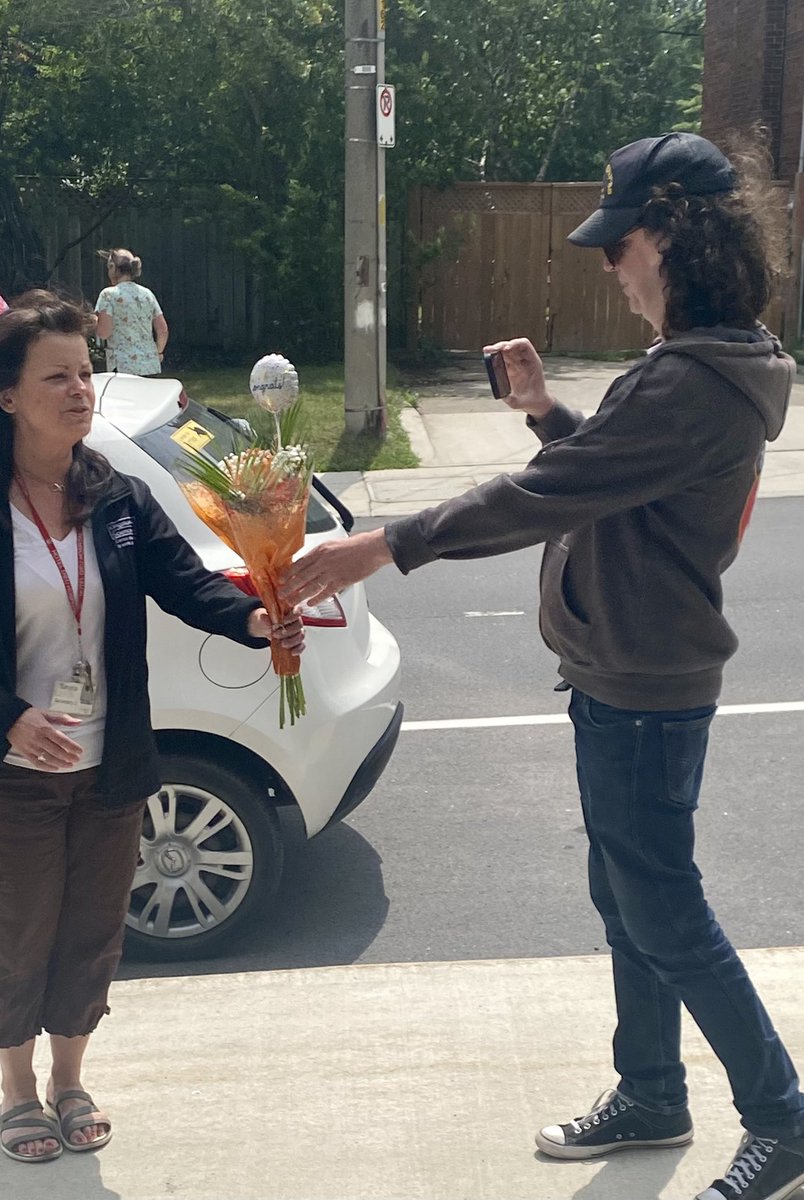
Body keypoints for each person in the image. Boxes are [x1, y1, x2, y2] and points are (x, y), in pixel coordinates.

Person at [280, 132, 804, 1200]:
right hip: (622, 675)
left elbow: (542, 499)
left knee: (663, 908)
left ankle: (782, 1118)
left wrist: (380, 543)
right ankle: (652, 1093)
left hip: (647, 690)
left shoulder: (696, 382)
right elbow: (610, 476)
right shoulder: (693, 370)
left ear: (679, 238)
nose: (610, 263)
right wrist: (546, 415)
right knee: (626, 897)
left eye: (624, 242)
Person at [0, 292, 303, 1164]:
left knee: (91, 931)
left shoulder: (114, 493)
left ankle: (70, 1079)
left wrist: (252, 620)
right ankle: (17, 1092)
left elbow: (183, 581)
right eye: (58, 376)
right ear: (9, 395)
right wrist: (9, 719)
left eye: (86, 373)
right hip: (13, 771)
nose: (81, 389)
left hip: (109, 761)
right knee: (17, 933)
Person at [93, 248, 168, 375]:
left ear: (113, 268)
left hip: (123, 366)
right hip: (150, 365)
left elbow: (104, 333)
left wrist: (95, 321)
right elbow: (162, 330)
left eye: (109, 268)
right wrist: (158, 352)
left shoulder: (108, 295)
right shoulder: (147, 294)